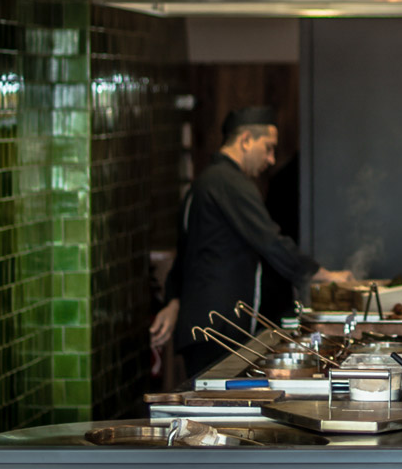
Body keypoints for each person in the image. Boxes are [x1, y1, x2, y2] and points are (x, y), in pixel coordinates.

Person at [149, 106, 353, 381]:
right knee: (216, 408)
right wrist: (325, 275)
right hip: (216, 328)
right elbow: (271, 241)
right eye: (268, 148)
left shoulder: (205, 183)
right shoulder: (228, 182)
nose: (271, 159)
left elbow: (187, 254)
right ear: (245, 140)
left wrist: (174, 301)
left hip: (205, 327)